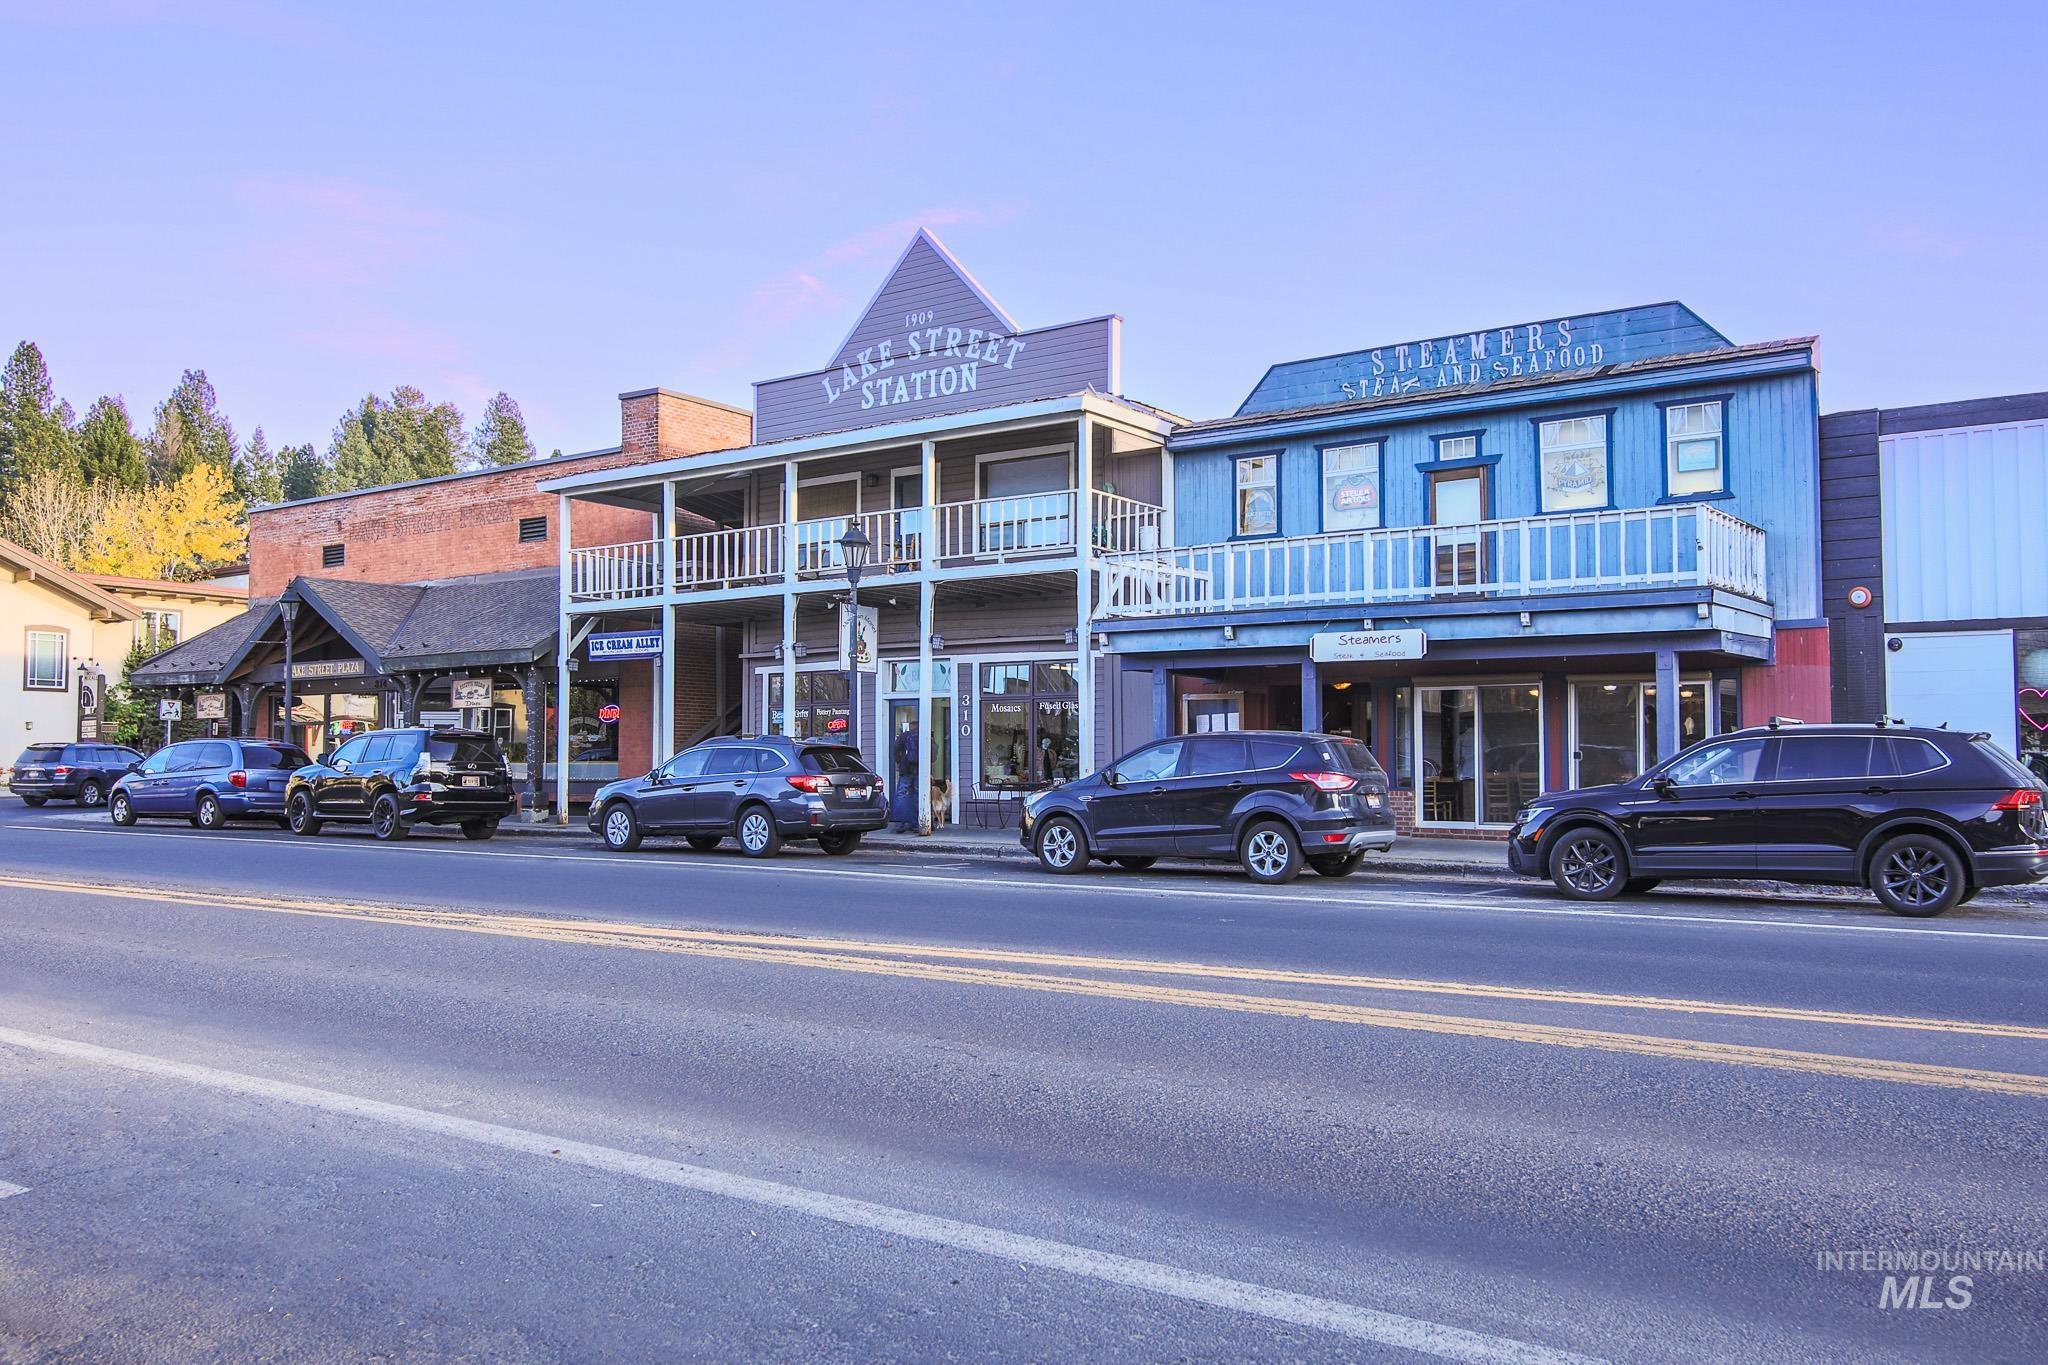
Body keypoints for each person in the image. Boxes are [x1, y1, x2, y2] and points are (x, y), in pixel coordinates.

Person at [890, 718, 920, 833]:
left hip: (906, 771)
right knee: (918, 796)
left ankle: (902, 823)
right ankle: (918, 823)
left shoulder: (903, 736)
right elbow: (933, 753)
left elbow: (895, 749)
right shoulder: (925, 734)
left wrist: (901, 762)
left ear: (911, 726)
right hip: (920, 771)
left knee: (902, 795)